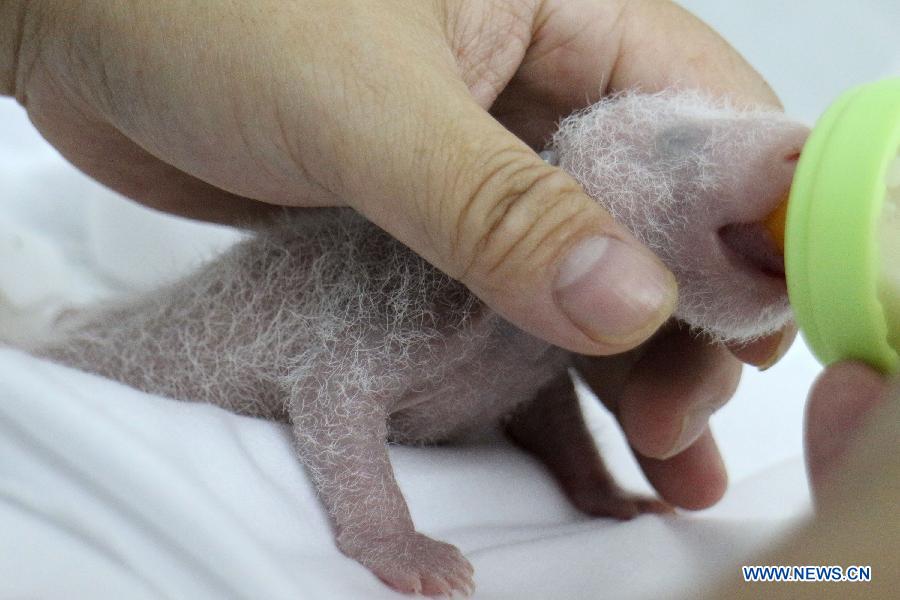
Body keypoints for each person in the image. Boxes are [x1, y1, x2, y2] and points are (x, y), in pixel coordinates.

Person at [2, 2, 894, 582]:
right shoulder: (450, 282)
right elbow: (335, 389)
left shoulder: (553, 311)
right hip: (129, 366)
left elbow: (536, 393)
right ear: (590, 173)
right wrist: (384, 538)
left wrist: (588, 482)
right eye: (675, 148)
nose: (792, 160)